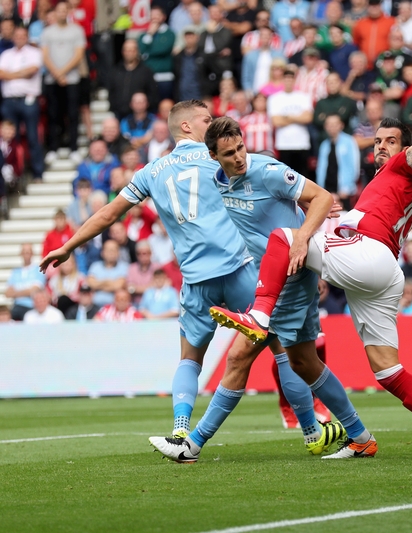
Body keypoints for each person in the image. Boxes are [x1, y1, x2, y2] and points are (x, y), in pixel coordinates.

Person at [40, 100, 339, 460]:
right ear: (186, 126)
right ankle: (310, 431)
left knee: (190, 359)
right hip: (241, 268)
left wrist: (69, 246)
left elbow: (107, 214)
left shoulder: (152, 171)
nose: (211, 123)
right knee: (283, 349)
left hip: (196, 279)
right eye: (206, 119)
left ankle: (180, 429)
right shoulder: (218, 159)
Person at [209, 71, 412, 457]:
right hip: (383, 275)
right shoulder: (407, 197)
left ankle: (259, 316)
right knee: (388, 372)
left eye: (391, 142)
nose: (383, 148)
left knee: (286, 237)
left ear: (404, 149)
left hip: (367, 258)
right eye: (378, 142)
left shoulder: (402, 168)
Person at [151, 116, 375, 462]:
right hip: (276, 275)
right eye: (229, 153)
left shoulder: (267, 170)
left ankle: (191, 445)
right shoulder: (216, 181)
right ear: (214, 157)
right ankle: (360, 436)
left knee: (239, 357)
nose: (239, 157)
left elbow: (321, 196)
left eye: (240, 147)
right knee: (303, 361)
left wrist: (302, 240)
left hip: (291, 272)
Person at [41, 1, 85, 165]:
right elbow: (45, 55)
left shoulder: (77, 30)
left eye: (64, 10)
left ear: (68, 12)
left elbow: (79, 54)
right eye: (58, 10)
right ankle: (53, 149)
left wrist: (63, 73)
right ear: (55, 12)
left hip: (71, 79)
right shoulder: (47, 32)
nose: (61, 13)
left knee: (73, 114)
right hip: (53, 80)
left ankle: (74, 149)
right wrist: (57, 74)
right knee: (53, 115)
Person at [0, 26, 43, 182]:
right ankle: (16, 174)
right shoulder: (6, 54)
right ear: (13, 37)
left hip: (28, 100)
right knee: (10, 140)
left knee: (33, 136)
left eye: (22, 35)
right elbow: (1, 73)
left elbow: (32, 70)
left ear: (27, 37)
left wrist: (10, 74)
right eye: (16, 35)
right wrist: (20, 74)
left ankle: (37, 173)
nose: (19, 38)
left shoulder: (34, 53)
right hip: (9, 101)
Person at [6, 243, 46, 320]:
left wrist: (16, 293)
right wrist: (27, 291)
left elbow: (35, 290)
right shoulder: (15, 272)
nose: (26, 255)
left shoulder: (38, 270)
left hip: (32, 307)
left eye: (28, 252)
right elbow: (8, 293)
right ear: (21, 254)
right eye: (24, 252)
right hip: (17, 308)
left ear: (32, 253)